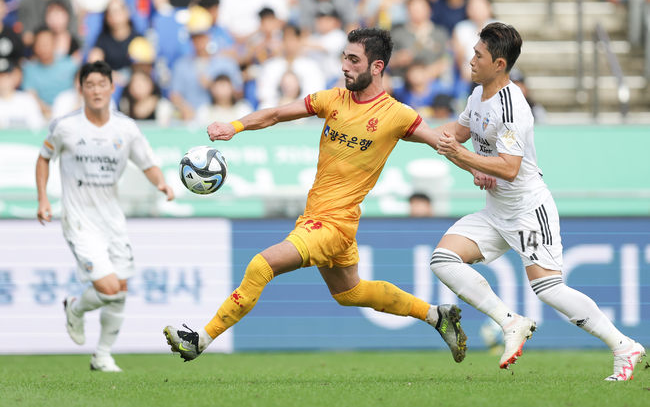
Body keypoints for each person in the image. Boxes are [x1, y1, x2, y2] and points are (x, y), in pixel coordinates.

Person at [163, 28, 468, 363]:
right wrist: (233, 127)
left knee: (261, 265)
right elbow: (277, 113)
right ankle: (437, 316)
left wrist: (480, 169)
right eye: (344, 58)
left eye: (354, 60)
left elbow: (441, 142)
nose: (345, 67)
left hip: (332, 225)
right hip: (323, 218)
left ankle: (200, 340)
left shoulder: (396, 114)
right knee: (350, 293)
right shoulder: (332, 99)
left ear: (377, 67)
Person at [430, 22, 645, 380]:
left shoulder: (512, 107)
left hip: (528, 211)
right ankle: (509, 321)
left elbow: (509, 169)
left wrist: (466, 159)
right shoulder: (477, 95)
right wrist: (406, 128)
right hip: (496, 211)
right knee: (443, 259)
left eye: (478, 55)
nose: (470, 59)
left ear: (499, 64)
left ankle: (624, 345)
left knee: (549, 288)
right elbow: (456, 135)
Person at [35, 60, 174, 372]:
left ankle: (102, 355)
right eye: (90, 85)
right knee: (109, 288)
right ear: (81, 89)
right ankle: (75, 308)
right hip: (79, 219)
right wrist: (43, 198)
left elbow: (146, 162)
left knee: (120, 291)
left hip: (112, 219)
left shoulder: (125, 128)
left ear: (113, 87)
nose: (96, 90)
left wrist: (161, 183)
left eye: (102, 84)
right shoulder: (65, 127)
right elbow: (43, 159)